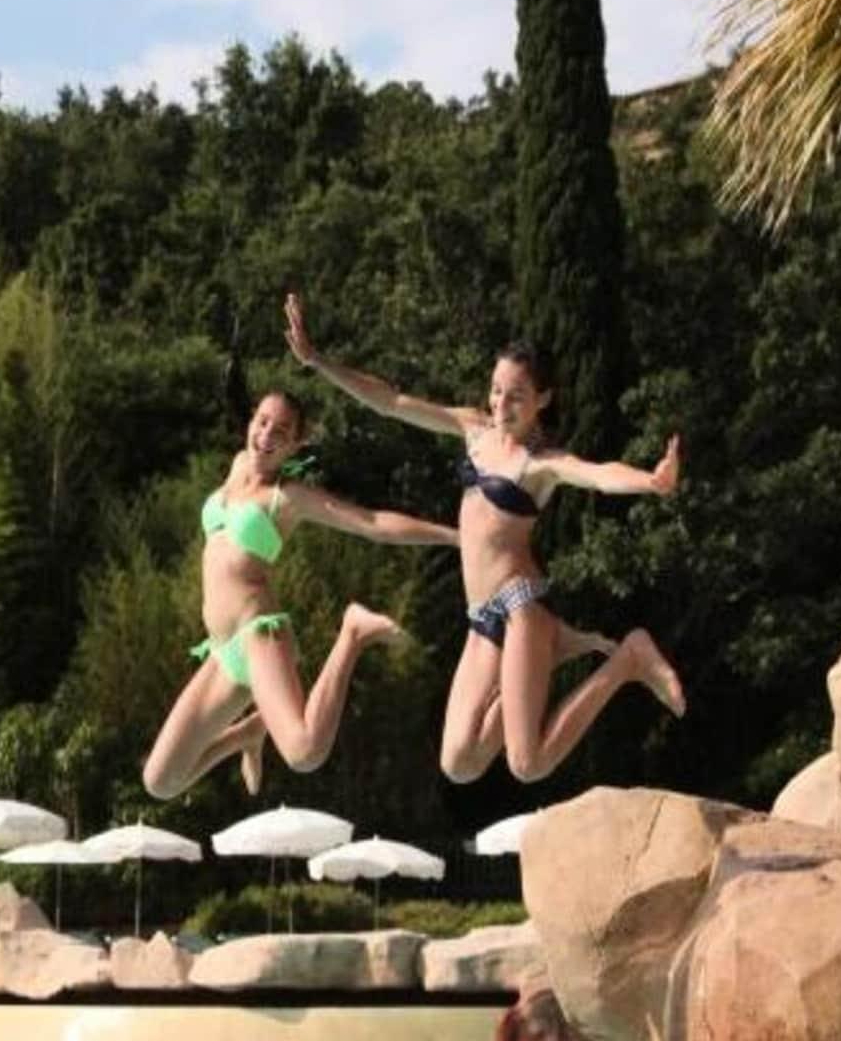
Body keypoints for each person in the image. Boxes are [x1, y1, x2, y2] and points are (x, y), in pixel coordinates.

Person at [284, 293, 686, 784]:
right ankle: (551, 654)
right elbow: (390, 402)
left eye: (515, 396)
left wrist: (650, 481)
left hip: (520, 606)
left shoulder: (539, 464)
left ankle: (628, 658)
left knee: (528, 764)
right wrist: (318, 361)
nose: (500, 404)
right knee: (458, 764)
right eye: (496, 390)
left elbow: (599, 474)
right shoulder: (473, 429)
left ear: (542, 399)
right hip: (481, 619)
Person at [141, 389, 457, 800]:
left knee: (305, 752)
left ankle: (353, 634)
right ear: (250, 422)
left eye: (281, 431)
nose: (266, 435)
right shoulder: (237, 466)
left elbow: (372, 522)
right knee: (161, 781)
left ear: (295, 445)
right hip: (222, 651)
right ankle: (247, 735)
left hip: (258, 636)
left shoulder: (289, 497)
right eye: (262, 422)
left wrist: (455, 537)